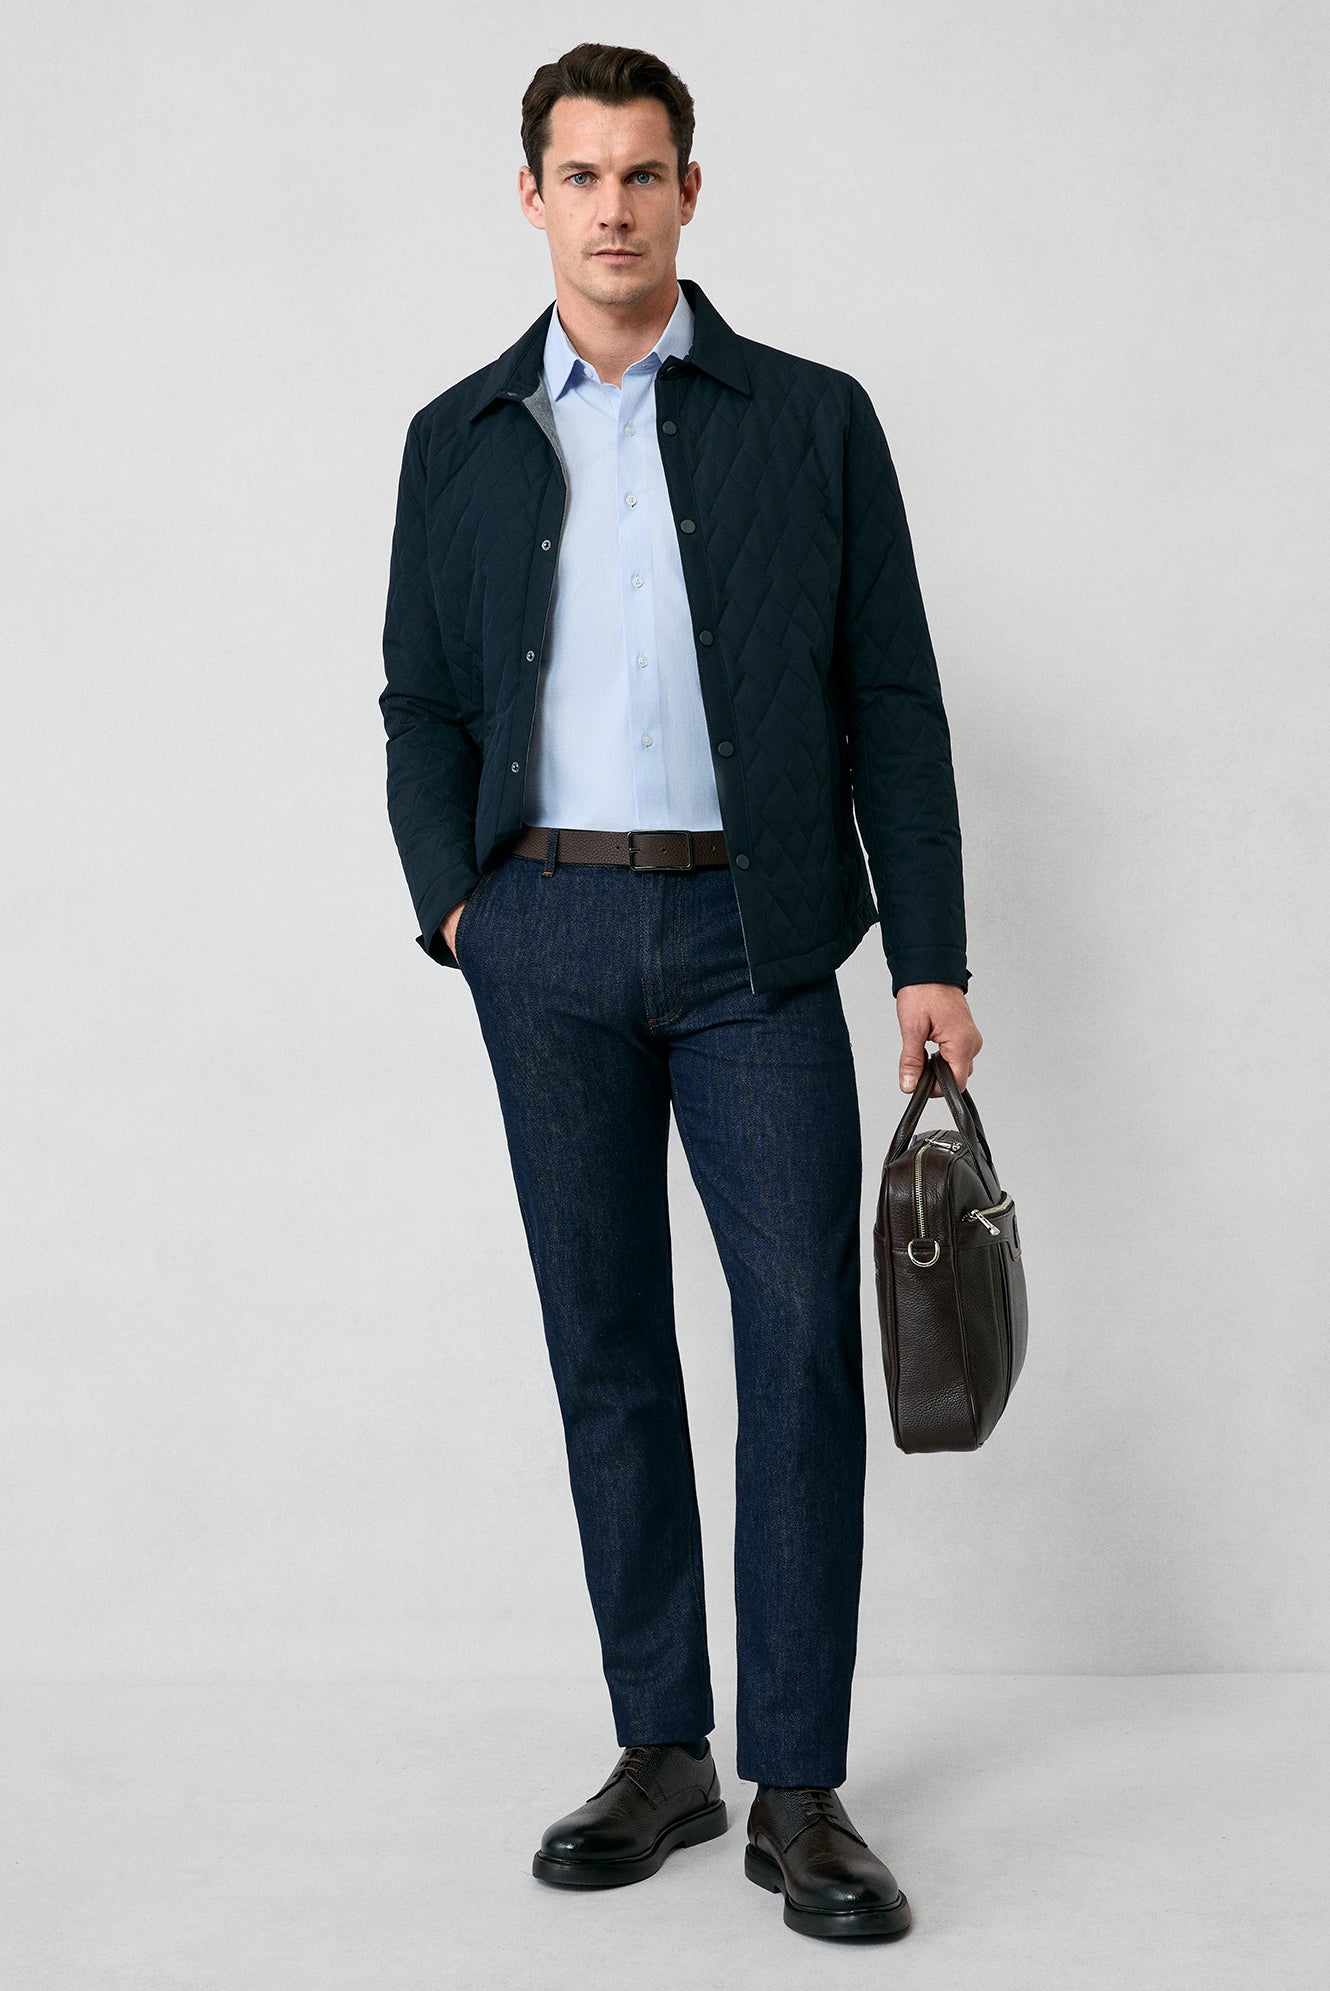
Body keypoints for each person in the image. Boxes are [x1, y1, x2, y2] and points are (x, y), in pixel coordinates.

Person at [379, 40, 983, 1944]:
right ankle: (662, 1749)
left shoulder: (810, 420)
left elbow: (890, 692)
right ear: (532, 198)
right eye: (580, 175)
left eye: (644, 173)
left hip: (755, 939)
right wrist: (458, 911)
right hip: (541, 937)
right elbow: (419, 699)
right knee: (605, 1344)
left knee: (796, 1338)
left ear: (690, 193)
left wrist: (929, 952)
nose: (614, 208)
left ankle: (798, 1788)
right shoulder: (458, 435)